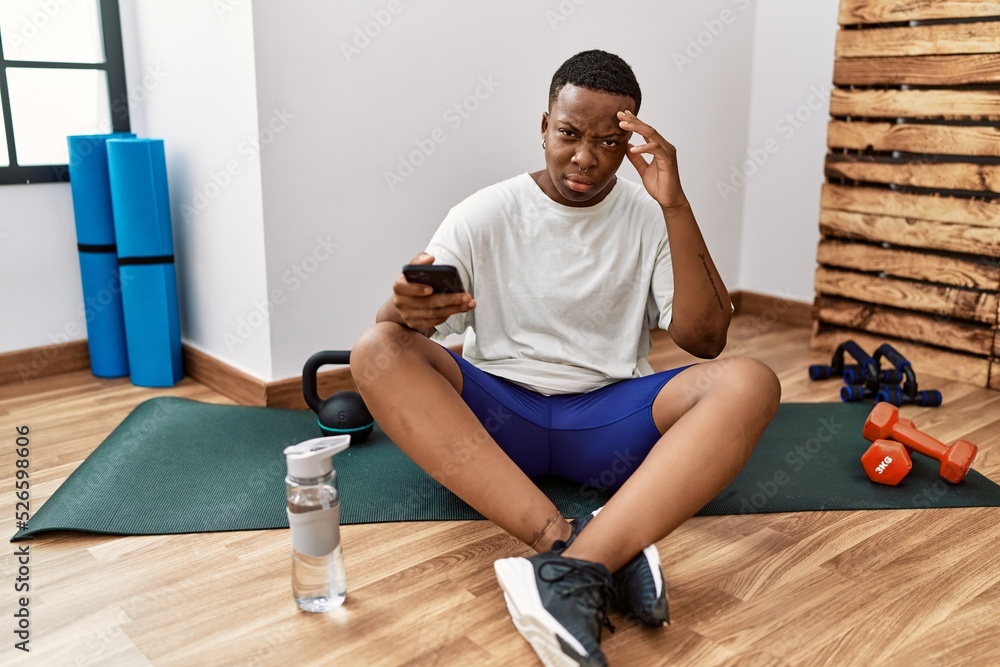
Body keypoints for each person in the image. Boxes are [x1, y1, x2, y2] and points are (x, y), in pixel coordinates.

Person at [351, 49, 780, 667]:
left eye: (608, 142)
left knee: (751, 381)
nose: (585, 157)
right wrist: (404, 310)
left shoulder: (650, 215)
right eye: (569, 133)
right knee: (377, 347)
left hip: (608, 423)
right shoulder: (485, 212)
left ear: (630, 145)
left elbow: (706, 340)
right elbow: (397, 328)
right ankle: (569, 542)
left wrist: (675, 205)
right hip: (500, 423)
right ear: (543, 126)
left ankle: (574, 568)